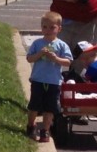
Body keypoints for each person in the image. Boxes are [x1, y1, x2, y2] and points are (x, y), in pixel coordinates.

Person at [25, 11, 73, 143]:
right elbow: (29, 58)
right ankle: (30, 125)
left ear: (59, 29)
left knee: (50, 108)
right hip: (38, 79)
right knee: (34, 105)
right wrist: (39, 54)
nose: (48, 30)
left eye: (52, 27)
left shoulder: (61, 45)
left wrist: (56, 58)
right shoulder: (37, 43)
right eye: (45, 27)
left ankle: (45, 130)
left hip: (53, 81)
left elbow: (68, 62)